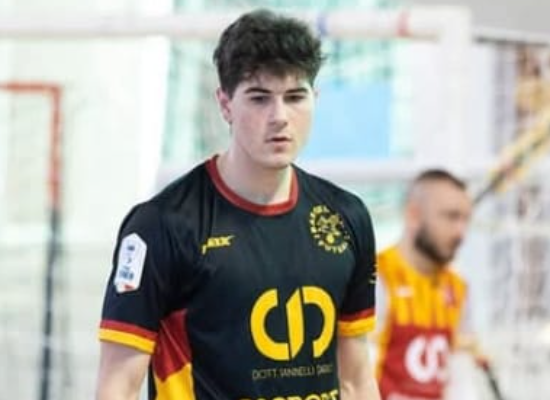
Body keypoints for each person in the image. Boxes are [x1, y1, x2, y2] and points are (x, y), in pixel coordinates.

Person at [95, 8, 381, 400]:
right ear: (225, 104)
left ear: (315, 99)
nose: (280, 117)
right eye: (259, 98)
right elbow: (118, 387)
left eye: (295, 97)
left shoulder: (347, 217)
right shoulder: (161, 225)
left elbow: (356, 380)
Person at [372, 169, 481, 400]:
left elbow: (461, 381)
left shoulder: (458, 288)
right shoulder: (375, 277)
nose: (461, 232)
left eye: (466, 220)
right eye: (451, 217)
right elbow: (354, 377)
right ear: (413, 215)